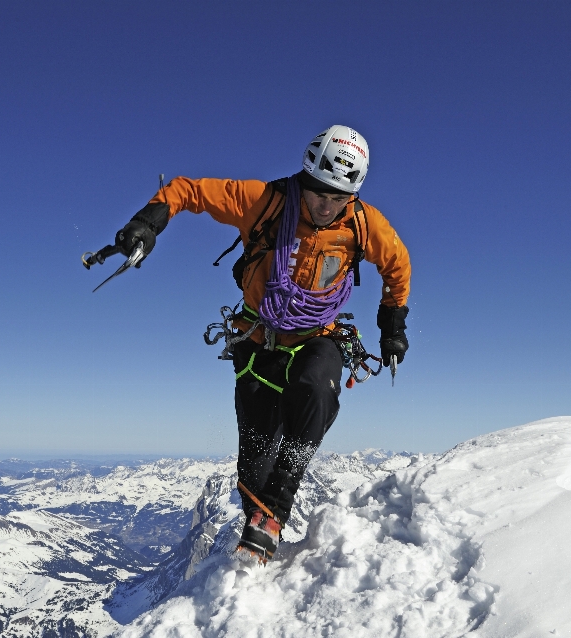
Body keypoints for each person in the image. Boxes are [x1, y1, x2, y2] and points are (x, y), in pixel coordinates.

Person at [111, 125, 411, 562]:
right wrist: (148, 222)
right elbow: (189, 190)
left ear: (353, 196)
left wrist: (393, 328)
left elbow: (397, 267)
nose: (325, 206)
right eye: (318, 194)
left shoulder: (364, 224)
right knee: (253, 465)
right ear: (304, 180)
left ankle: (276, 510)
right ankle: (258, 530)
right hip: (258, 337)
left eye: (337, 198)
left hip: (317, 338)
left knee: (314, 390)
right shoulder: (264, 202)